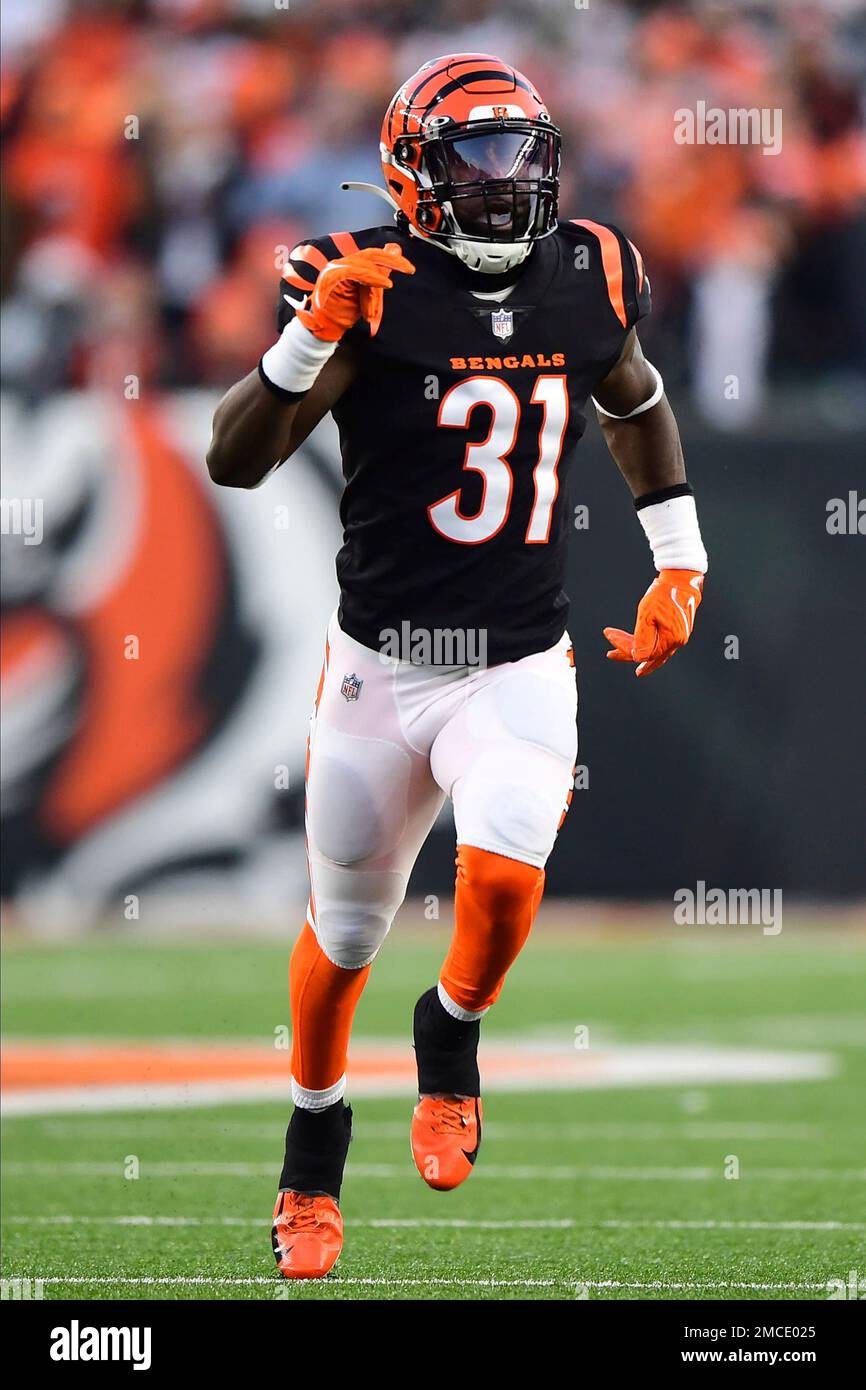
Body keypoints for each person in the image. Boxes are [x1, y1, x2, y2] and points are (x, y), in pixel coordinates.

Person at [206, 53, 708, 1280]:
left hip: (516, 659)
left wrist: (677, 557)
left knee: (500, 876)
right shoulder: (359, 284)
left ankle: (453, 1033)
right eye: (474, 160)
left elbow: (630, 399)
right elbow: (235, 459)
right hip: (382, 667)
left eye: (522, 155)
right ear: (410, 175)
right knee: (342, 941)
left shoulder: (591, 267)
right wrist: (299, 343)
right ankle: (312, 1146)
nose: (504, 184)